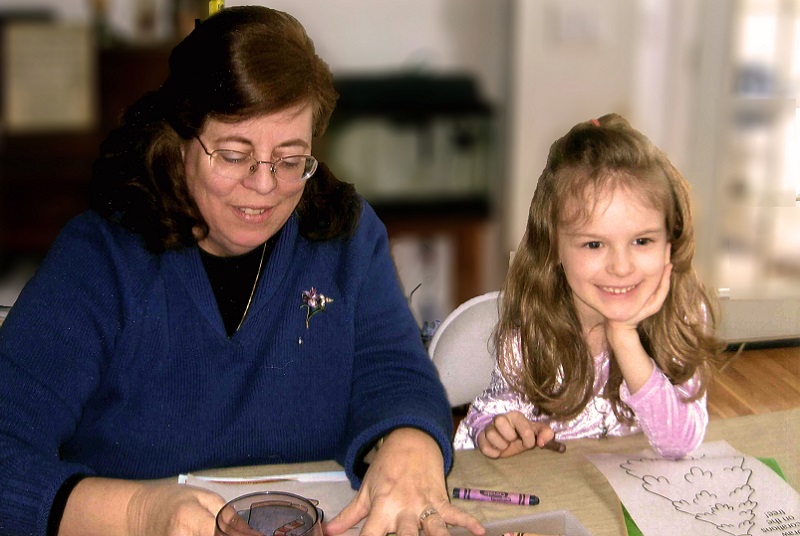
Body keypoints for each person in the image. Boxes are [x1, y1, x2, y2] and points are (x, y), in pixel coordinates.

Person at [0, 6, 485, 536]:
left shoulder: (343, 236)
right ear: (181, 138)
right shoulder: (101, 260)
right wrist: (141, 514)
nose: (264, 185)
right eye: (233, 155)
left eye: (290, 157)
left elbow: (394, 373)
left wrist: (410, 442)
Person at [453, 113, 723, 460]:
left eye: (642, 241)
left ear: (670, 239)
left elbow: (679, 443)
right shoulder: (532, 329)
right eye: (594, 245)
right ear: (554, 246)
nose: (621, 267)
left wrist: (624, 338)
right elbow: (489, 413)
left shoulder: (681, 315)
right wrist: (495, 431)